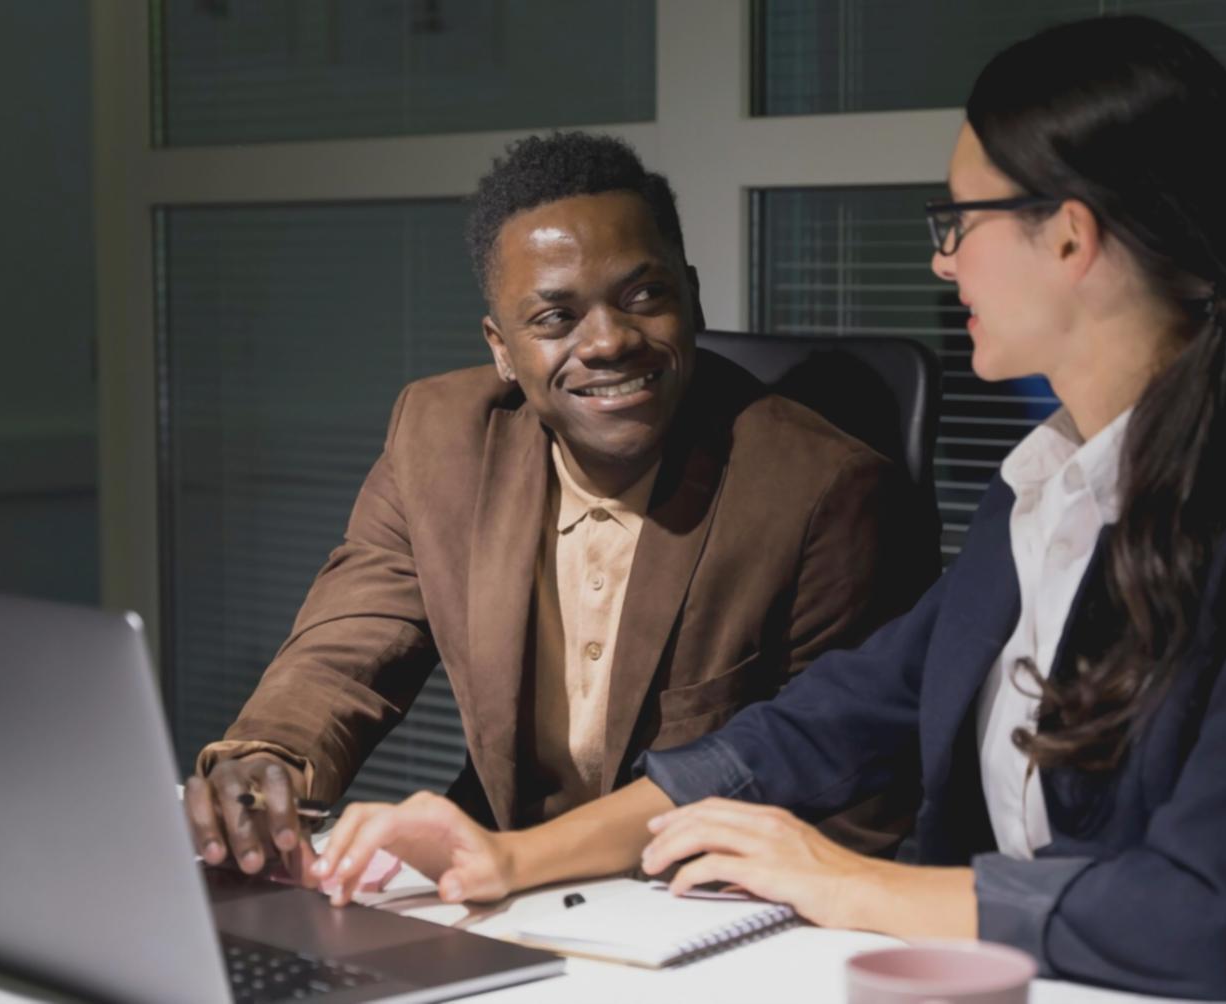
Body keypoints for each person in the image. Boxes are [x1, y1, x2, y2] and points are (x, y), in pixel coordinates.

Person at [311, 17, 1226, 1002]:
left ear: (1067, 237)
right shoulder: (1044, 480)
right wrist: (510, 858)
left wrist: (850, 882)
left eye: (959, 219)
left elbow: (1212, 917)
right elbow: (817, 725)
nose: (941, 258)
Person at [184, 132, 941, 881]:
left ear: (693, 298)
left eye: (644, 297)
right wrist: (267, 761)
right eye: (555, 319)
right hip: (494, 882)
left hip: (699, 903)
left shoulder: (821, 490)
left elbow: (841, 783)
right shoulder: (438, 441)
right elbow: (348, 650)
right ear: (502, 350)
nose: (608, 341)